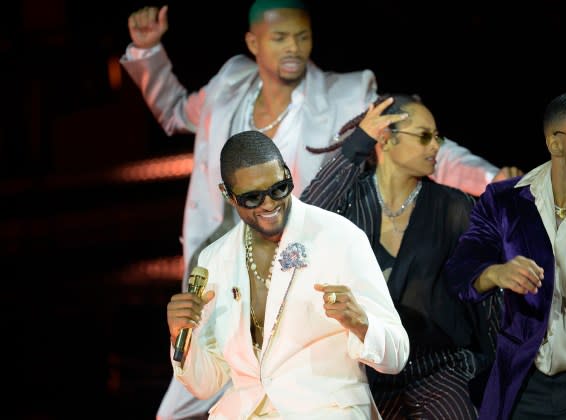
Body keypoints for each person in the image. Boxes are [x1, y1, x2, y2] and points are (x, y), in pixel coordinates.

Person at [120, 1, 517, 416]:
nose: (293, 47)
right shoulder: (228, 87)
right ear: (253, 43)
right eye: (279, 38)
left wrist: (490, 180)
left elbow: (414, 138)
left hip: (301, 266)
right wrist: (147, 51)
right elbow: (173, 111)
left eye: (302, 36)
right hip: (231, 265)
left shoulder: (344, 95)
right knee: (192, 396)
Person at [165, 129, 409, 419]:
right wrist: (181, 335)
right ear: (228, 195)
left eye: (279, 188)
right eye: (252, 198)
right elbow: (206, 385)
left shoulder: (339, 237)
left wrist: (362, 324)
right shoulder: (214, 260)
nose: (269, 204)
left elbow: (397, 355)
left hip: (325, 411)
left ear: (286, 174)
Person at [301, 94, 500, 419]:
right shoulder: (350, 202)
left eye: (438, 137)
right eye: (424, 136)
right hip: (361, 371)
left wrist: (496, 370)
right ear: (386, 139)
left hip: (437, 370)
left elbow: (486, 299)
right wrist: (357, 145)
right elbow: (304, 222)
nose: (435, 146)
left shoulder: (454, 206)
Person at [444, 91, 566, 420]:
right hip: (525, 379)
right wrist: (495, 274)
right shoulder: (504, 202)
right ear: (555, 143)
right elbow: (460, 271)